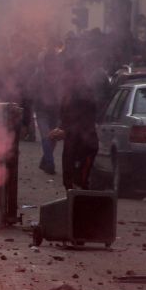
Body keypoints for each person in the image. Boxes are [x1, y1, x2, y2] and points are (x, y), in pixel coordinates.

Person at [48, 58, 99, 191]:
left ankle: (82, 211)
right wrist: (59, 129)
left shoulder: (85, 93)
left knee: (80, 184)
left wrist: (66, 132)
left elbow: (86, 122)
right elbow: (67, 118)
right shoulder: (67, 92)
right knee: (69, 183)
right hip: (71, 146)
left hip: (84, 147)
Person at [31, 52, 62, 175]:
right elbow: (31, 90)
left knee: (53, 137)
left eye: (54, 62)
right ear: (45, 64)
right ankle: (50, 163)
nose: (52, 65)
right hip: (42, 110)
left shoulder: (60, 77)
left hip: (56, 111)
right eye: (49, 62)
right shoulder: (38, 75)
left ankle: (45, 160)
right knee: (45, 136)